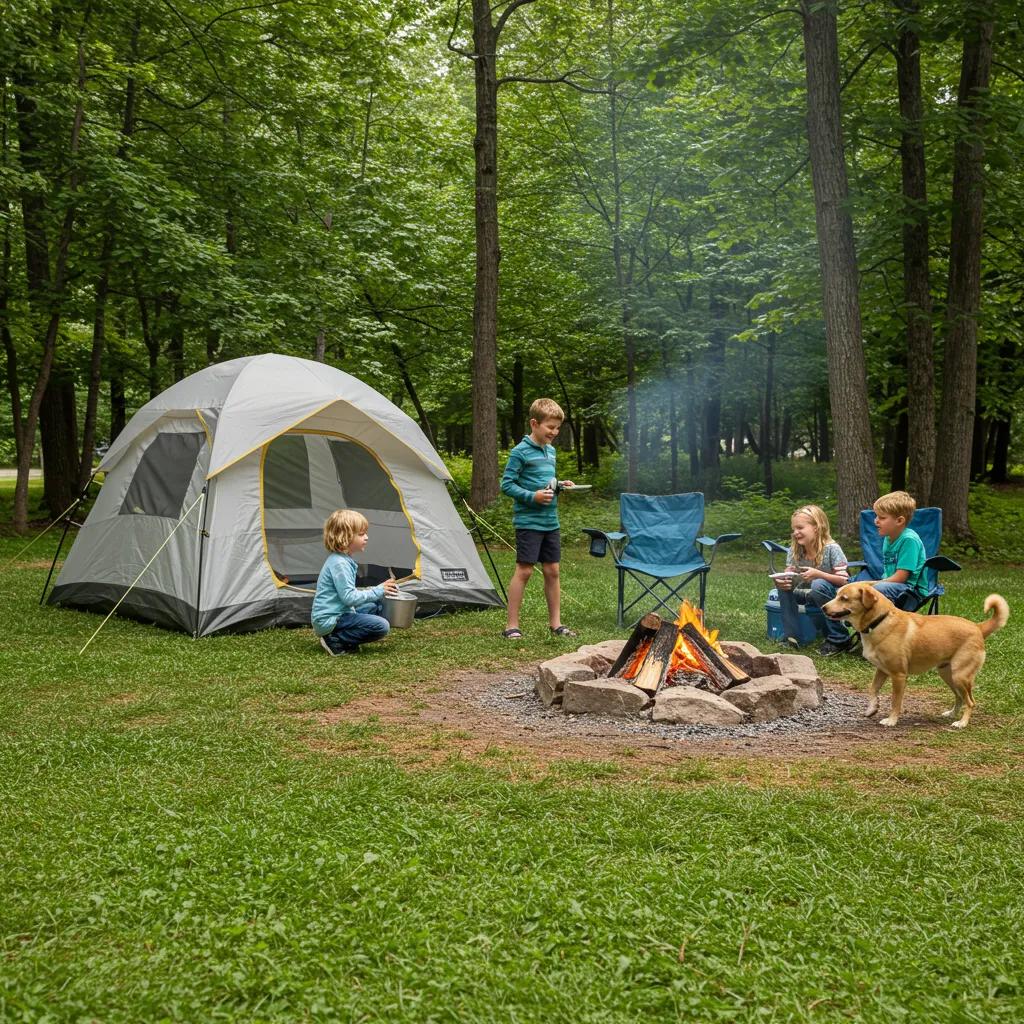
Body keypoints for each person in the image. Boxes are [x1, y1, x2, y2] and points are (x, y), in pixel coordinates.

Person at [500, 397, 577, 640]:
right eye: (550, 427)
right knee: (524, 571)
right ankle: (511, 625)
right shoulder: (520, 452)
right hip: (528, 522)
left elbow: (547, 483)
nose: (554, 432)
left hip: (550, 521)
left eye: (557, 428)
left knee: (552, 570)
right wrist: (532, 496)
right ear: (534, 424)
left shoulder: (551, 451)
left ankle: (556, 624)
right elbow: (507, 485)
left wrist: (560, 485)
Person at [312, 509, 398, 656]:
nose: (367, 537)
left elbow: (348, 596)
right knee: (381, 626)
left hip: (340, 613)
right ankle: (336, 639)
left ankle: (340, 636)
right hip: (330, 619)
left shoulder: (343, 559)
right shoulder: (340, 563)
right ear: (344, 537)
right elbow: (349, 598)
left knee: (375, 605)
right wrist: (378, 590)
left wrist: (379, 590)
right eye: (361, 534)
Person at [774, 504, 854, 657]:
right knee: (783, 587)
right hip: (806, 593)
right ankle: (791, 637)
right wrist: (783, 579)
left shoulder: (832, 549)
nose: (795, 533)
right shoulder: (795, 549)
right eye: (793, 529)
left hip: (831, 595)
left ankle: (839, 638)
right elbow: (788, 573)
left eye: (800, 528)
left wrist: (819, 574)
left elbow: (844, 581)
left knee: (818, 584)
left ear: (816, 527)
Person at [870, 489, 927, 608]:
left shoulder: (909, 540)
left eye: (882, 518)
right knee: (856, 588)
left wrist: (870, 584)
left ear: (899, 521)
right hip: (891, 586)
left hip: (910, 591)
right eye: (876, 516)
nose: (876, 521)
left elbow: (901, 577)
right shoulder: (889, 537)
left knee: (873, 590)